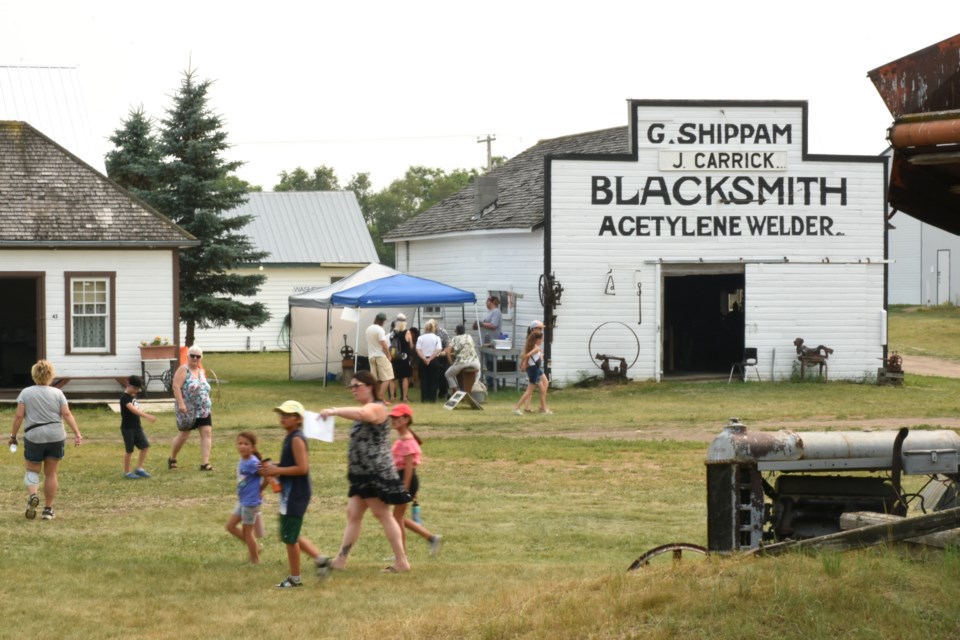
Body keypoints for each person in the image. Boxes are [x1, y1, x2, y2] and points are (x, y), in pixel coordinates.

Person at [320, 370, 411, 573]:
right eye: (351, 386)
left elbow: (364, 414)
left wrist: (334, 411)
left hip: (375, 474)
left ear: (370, 386)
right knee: (353, 514)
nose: (353, 390)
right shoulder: (364, 408)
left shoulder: (377, 408)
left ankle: (402, 561)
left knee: (382, 515)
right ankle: (341, 560)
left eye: (357, 385)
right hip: (361, 475)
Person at [260, 400, 329, 587]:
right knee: (289, 533)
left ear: (298, 419)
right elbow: (291, 466)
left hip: (296, 494)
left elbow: (302, 468)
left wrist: (277, 471)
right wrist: (274, 467)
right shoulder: (290, 437)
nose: (283, 417)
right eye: (281, 414)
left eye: (288, 415)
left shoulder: (297, 438)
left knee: (289, 537)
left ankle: (295, 579)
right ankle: (320, 560)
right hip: (290, 494)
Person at [9, 359, 83, 520]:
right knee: (51, 473)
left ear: (34, 374)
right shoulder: (58, 393)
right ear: (51, 375)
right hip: (56, 435)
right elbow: (67, 414)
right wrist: (77, 433)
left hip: (34, 436)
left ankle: (33, 496)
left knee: (32, 469)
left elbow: (19, 416)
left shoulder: (26, 393)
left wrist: (13, 436)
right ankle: (48, 510)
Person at [388, 404, 442, 556]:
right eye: (393, 417)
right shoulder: (404, 438)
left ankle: (401, 554)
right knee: (396, 518)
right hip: (404, 480)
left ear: (406, 419)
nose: (394, 420)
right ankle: (431, 538)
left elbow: (409, 467)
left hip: (405, 480)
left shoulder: (406, 440)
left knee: (396, 518)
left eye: (397, 417)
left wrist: (405, 488)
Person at [169, 346, 214, 471]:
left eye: (198, 356)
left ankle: (205, 463)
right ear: (188, 356)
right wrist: (181, 404)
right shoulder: (183, 370)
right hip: (188, 408)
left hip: (204, 409)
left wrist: (208, 403)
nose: (195, 358)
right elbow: (176, 387)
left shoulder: (201, 372)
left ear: (201, 358)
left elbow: (204, 389)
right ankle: (172, 458)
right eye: (192, 355)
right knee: (184, 435)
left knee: (207, 433)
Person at [226, 431, 264, 564]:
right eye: (240, 443)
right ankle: (255, 548)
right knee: (230, 526)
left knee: (248, 532)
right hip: (243, 501)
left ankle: (255, 560)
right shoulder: (243, 459)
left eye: (246, 444)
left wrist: (261, 489)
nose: (242, 446)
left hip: (251, 502)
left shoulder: (253, 462)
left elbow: (268, 475)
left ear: (253, 448)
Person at [120, 374, 156, 479]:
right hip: (127, 428)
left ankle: (139, 468)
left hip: (137, 427)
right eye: (135, 388)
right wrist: (147, 416)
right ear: (128, 385)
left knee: (144, 446)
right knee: (129, 450)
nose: (136, 391)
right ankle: (127, 472)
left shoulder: (133, 396)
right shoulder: (124, 398)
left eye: (138, 389)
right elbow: (133, 410)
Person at [513, 330, 551, 415]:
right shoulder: (536, 347)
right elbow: (526, 355)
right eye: (541, 339)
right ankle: (516, 408)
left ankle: (544, 409)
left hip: (536, 369)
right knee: (529, 391)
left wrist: (539, 356)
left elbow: (529, 356)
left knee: (543, 388)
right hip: (533, 369)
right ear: (537, 340)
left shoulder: (533, 346)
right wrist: (522, 365)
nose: (542, 341)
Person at [365, 312, 395, 403]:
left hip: (371, 356)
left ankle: (374, 398)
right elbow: (383, 344)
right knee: (388, 377)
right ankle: (380, 397)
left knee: (375, 379)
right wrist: (389, 356)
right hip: (380, 356)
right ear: (382, 321)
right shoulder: (380, 330)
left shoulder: (368, 328)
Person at [522, 320, 550, 413]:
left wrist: (540, 354)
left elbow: (536, 350)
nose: (541, 330)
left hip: (535, 366)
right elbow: (527, 354)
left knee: (544, 383)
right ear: (533, 329)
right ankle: (539, 407)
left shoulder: (536, 338)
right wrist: (524, 364)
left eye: (541, 329)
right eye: (539, 328)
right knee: (531, 388)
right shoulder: (530, 339)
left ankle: (537, 406)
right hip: (532, 366)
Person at [444, 324, 480, 394]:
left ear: (456, 331)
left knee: (448, 374)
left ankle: (456, 391)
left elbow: (448, 351)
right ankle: (474, 388)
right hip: (474, 361)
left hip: (461, 362)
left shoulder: (455, 338)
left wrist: (451, 362)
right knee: (478, 372)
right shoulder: (469, 336)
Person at [415, 319, 444, 403]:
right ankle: (432, 398)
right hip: (434, 359)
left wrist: (424, 358)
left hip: (422, 360)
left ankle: (424, 397)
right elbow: (438, 349)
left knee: (423, 379)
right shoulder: (436, 338)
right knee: (434, 379)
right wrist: (430, 359)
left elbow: (418, 349)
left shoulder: (420, 338)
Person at [389, 314, 414, 403]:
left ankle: (392, 397)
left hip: (394, 357)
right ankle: (404, 397)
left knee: (392, 378)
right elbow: (411, 345)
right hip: (404, 358)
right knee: (404, 378)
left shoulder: (392, 333)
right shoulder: (407, 332)